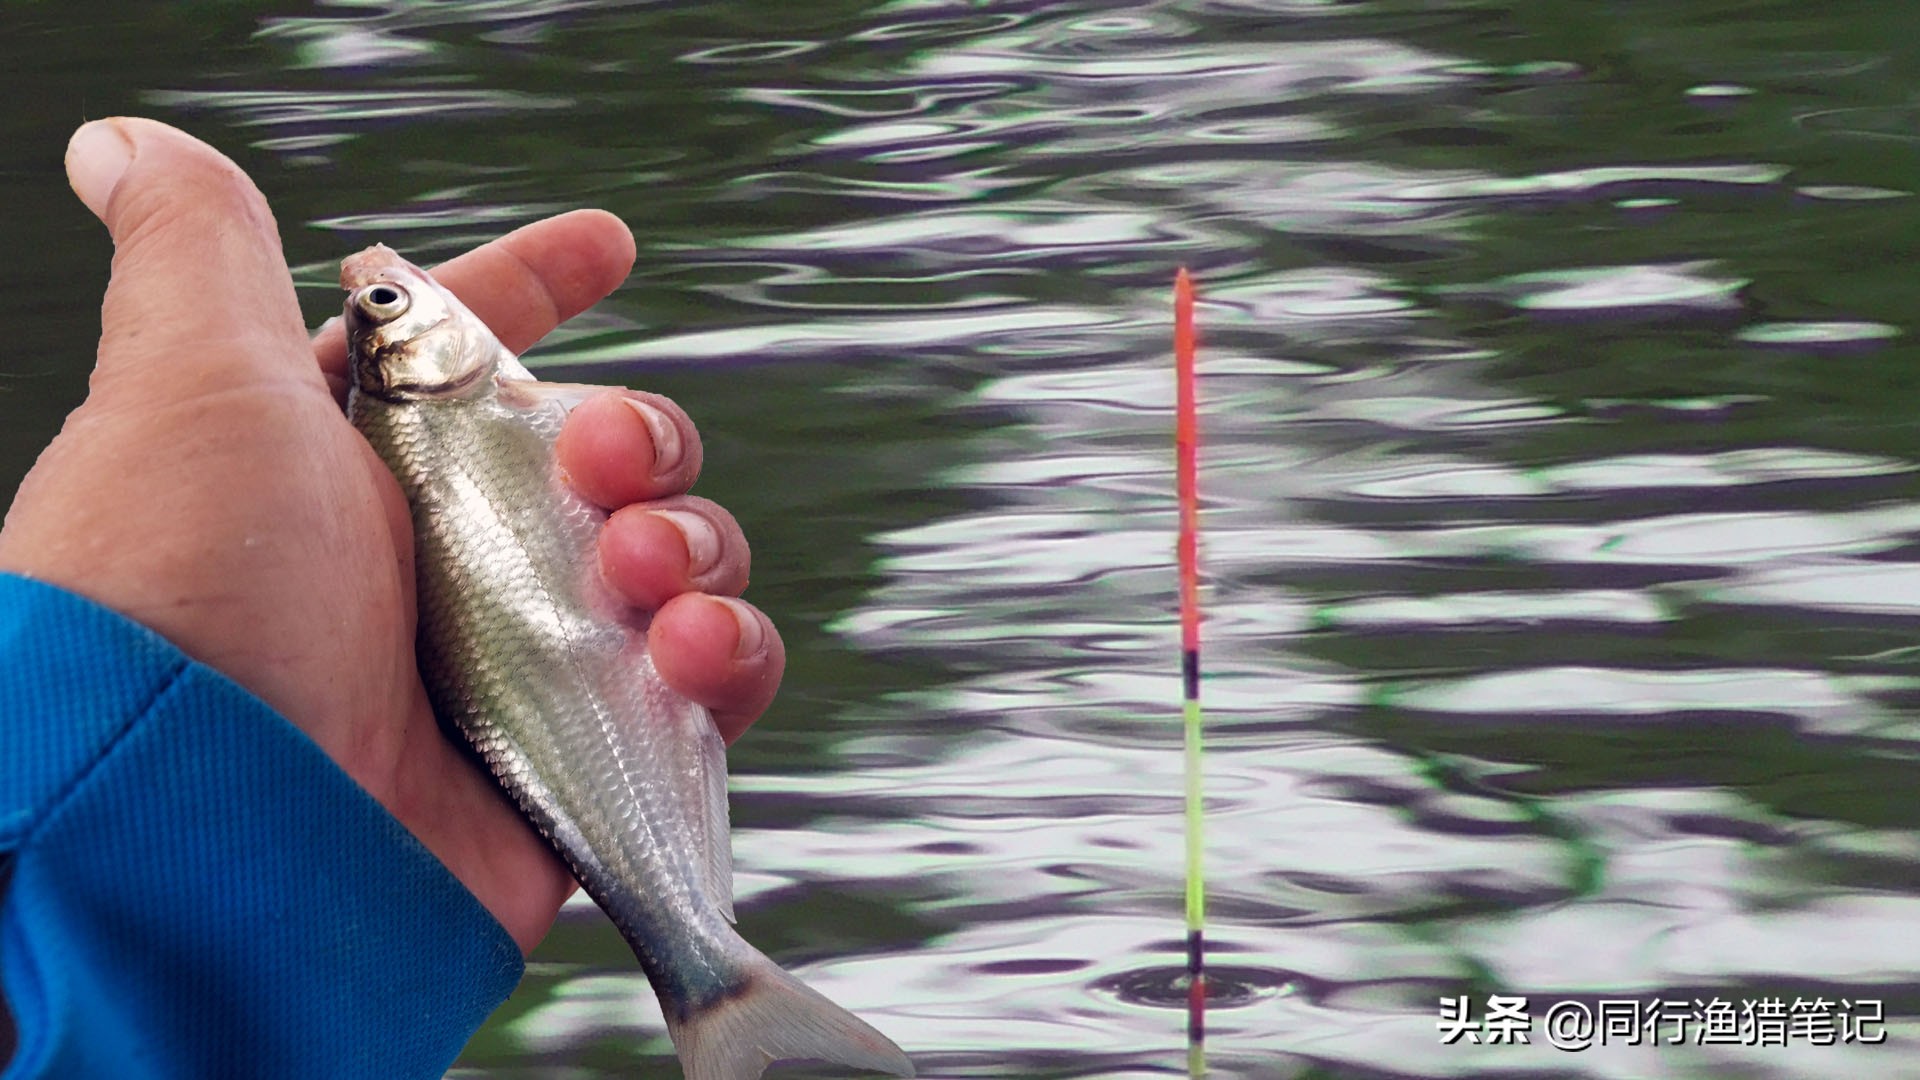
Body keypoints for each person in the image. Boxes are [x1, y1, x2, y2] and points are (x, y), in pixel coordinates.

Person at [0, 118, 785, 1077]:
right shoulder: (460, 409)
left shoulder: (454, 411)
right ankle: (710, 977)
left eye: (379, 300)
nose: (389, 289)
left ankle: (707, 967)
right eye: (386, 302)